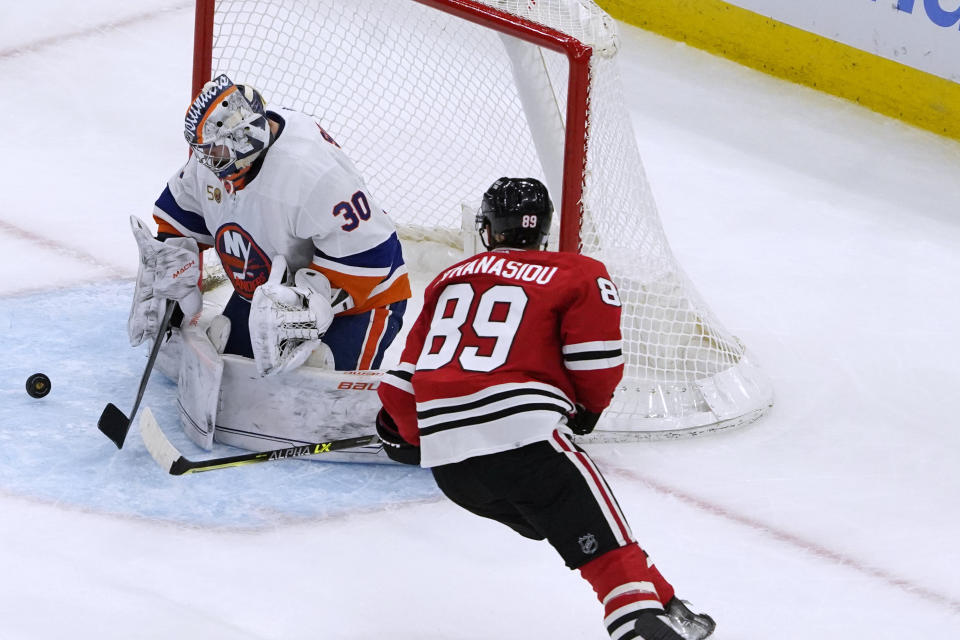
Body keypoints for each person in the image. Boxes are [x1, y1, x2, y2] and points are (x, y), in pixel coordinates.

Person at [375, 177, 716, 640]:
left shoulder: (448, 278)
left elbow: (401, 379)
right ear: (544, 230)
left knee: (580, 527)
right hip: (524, 441)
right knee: (589, 528)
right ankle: (637, 619)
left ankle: (665, 601)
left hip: (454, 471)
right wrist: (588, 412)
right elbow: (597, 362)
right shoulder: (578, 272)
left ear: (489, 229)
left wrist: (407, 432)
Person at [128, 74, 410, 376]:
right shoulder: (218, 159)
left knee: (313, 389)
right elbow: (180, 215)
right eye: (203, 151)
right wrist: (170, 268)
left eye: (215, 152)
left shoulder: (312, 173)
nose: (206, 162)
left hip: (363, 299)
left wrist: (304, 310)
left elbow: (371, 255)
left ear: (245, 136)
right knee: (233, 374)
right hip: (271, 293)